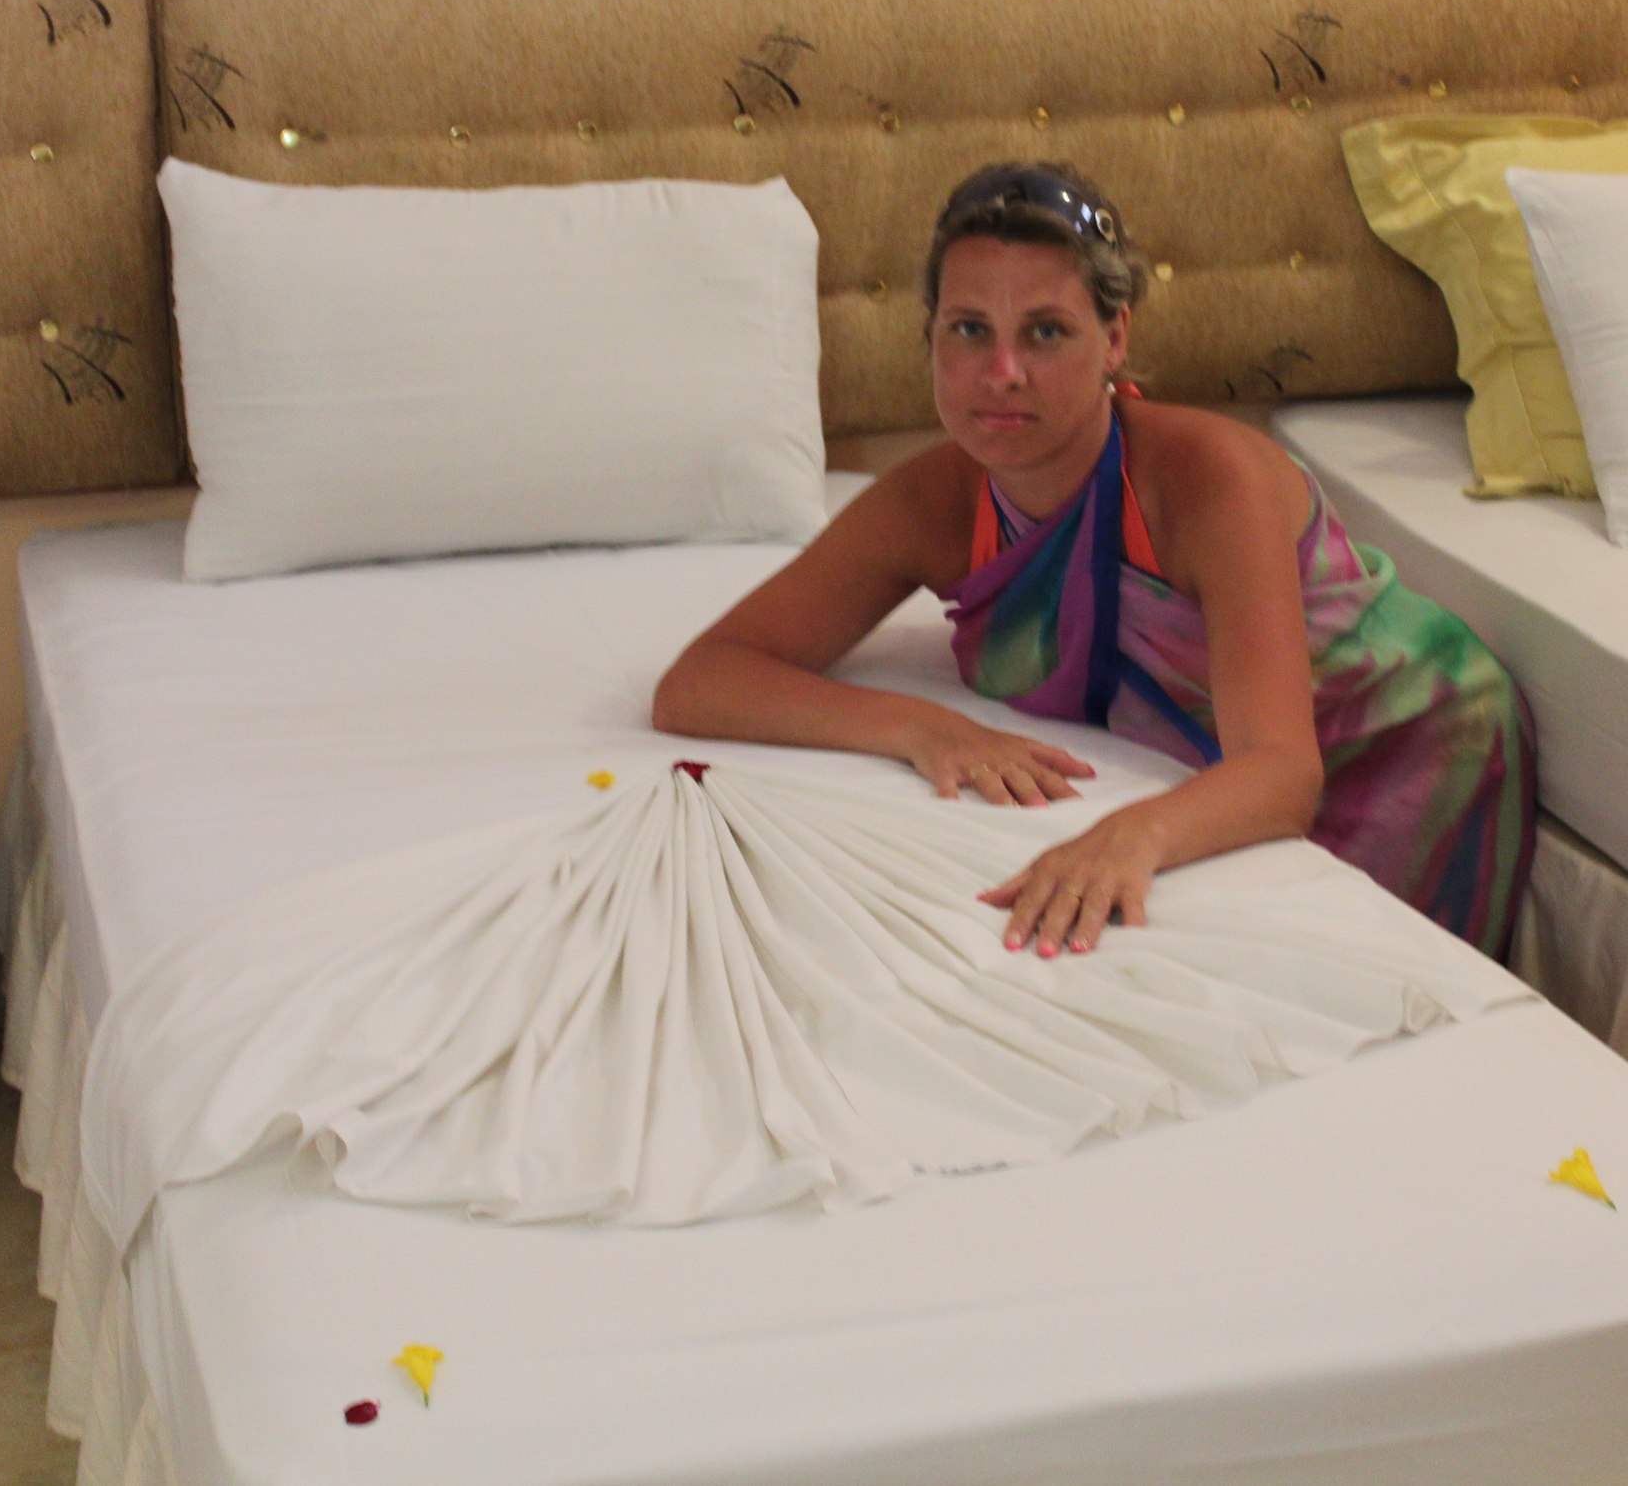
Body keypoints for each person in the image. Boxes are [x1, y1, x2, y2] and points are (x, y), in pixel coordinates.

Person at [654, 163, 1535, 959]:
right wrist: (925, 730)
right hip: (1223, 773)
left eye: (1045, 332)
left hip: (1403, 737)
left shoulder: (1206, 481)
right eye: (969, 329)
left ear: (1115, 339)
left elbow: (1280, 771)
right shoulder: (931, 502)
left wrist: (1131, 834)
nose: (1002, 371)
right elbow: (700, 681)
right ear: (931, 340)